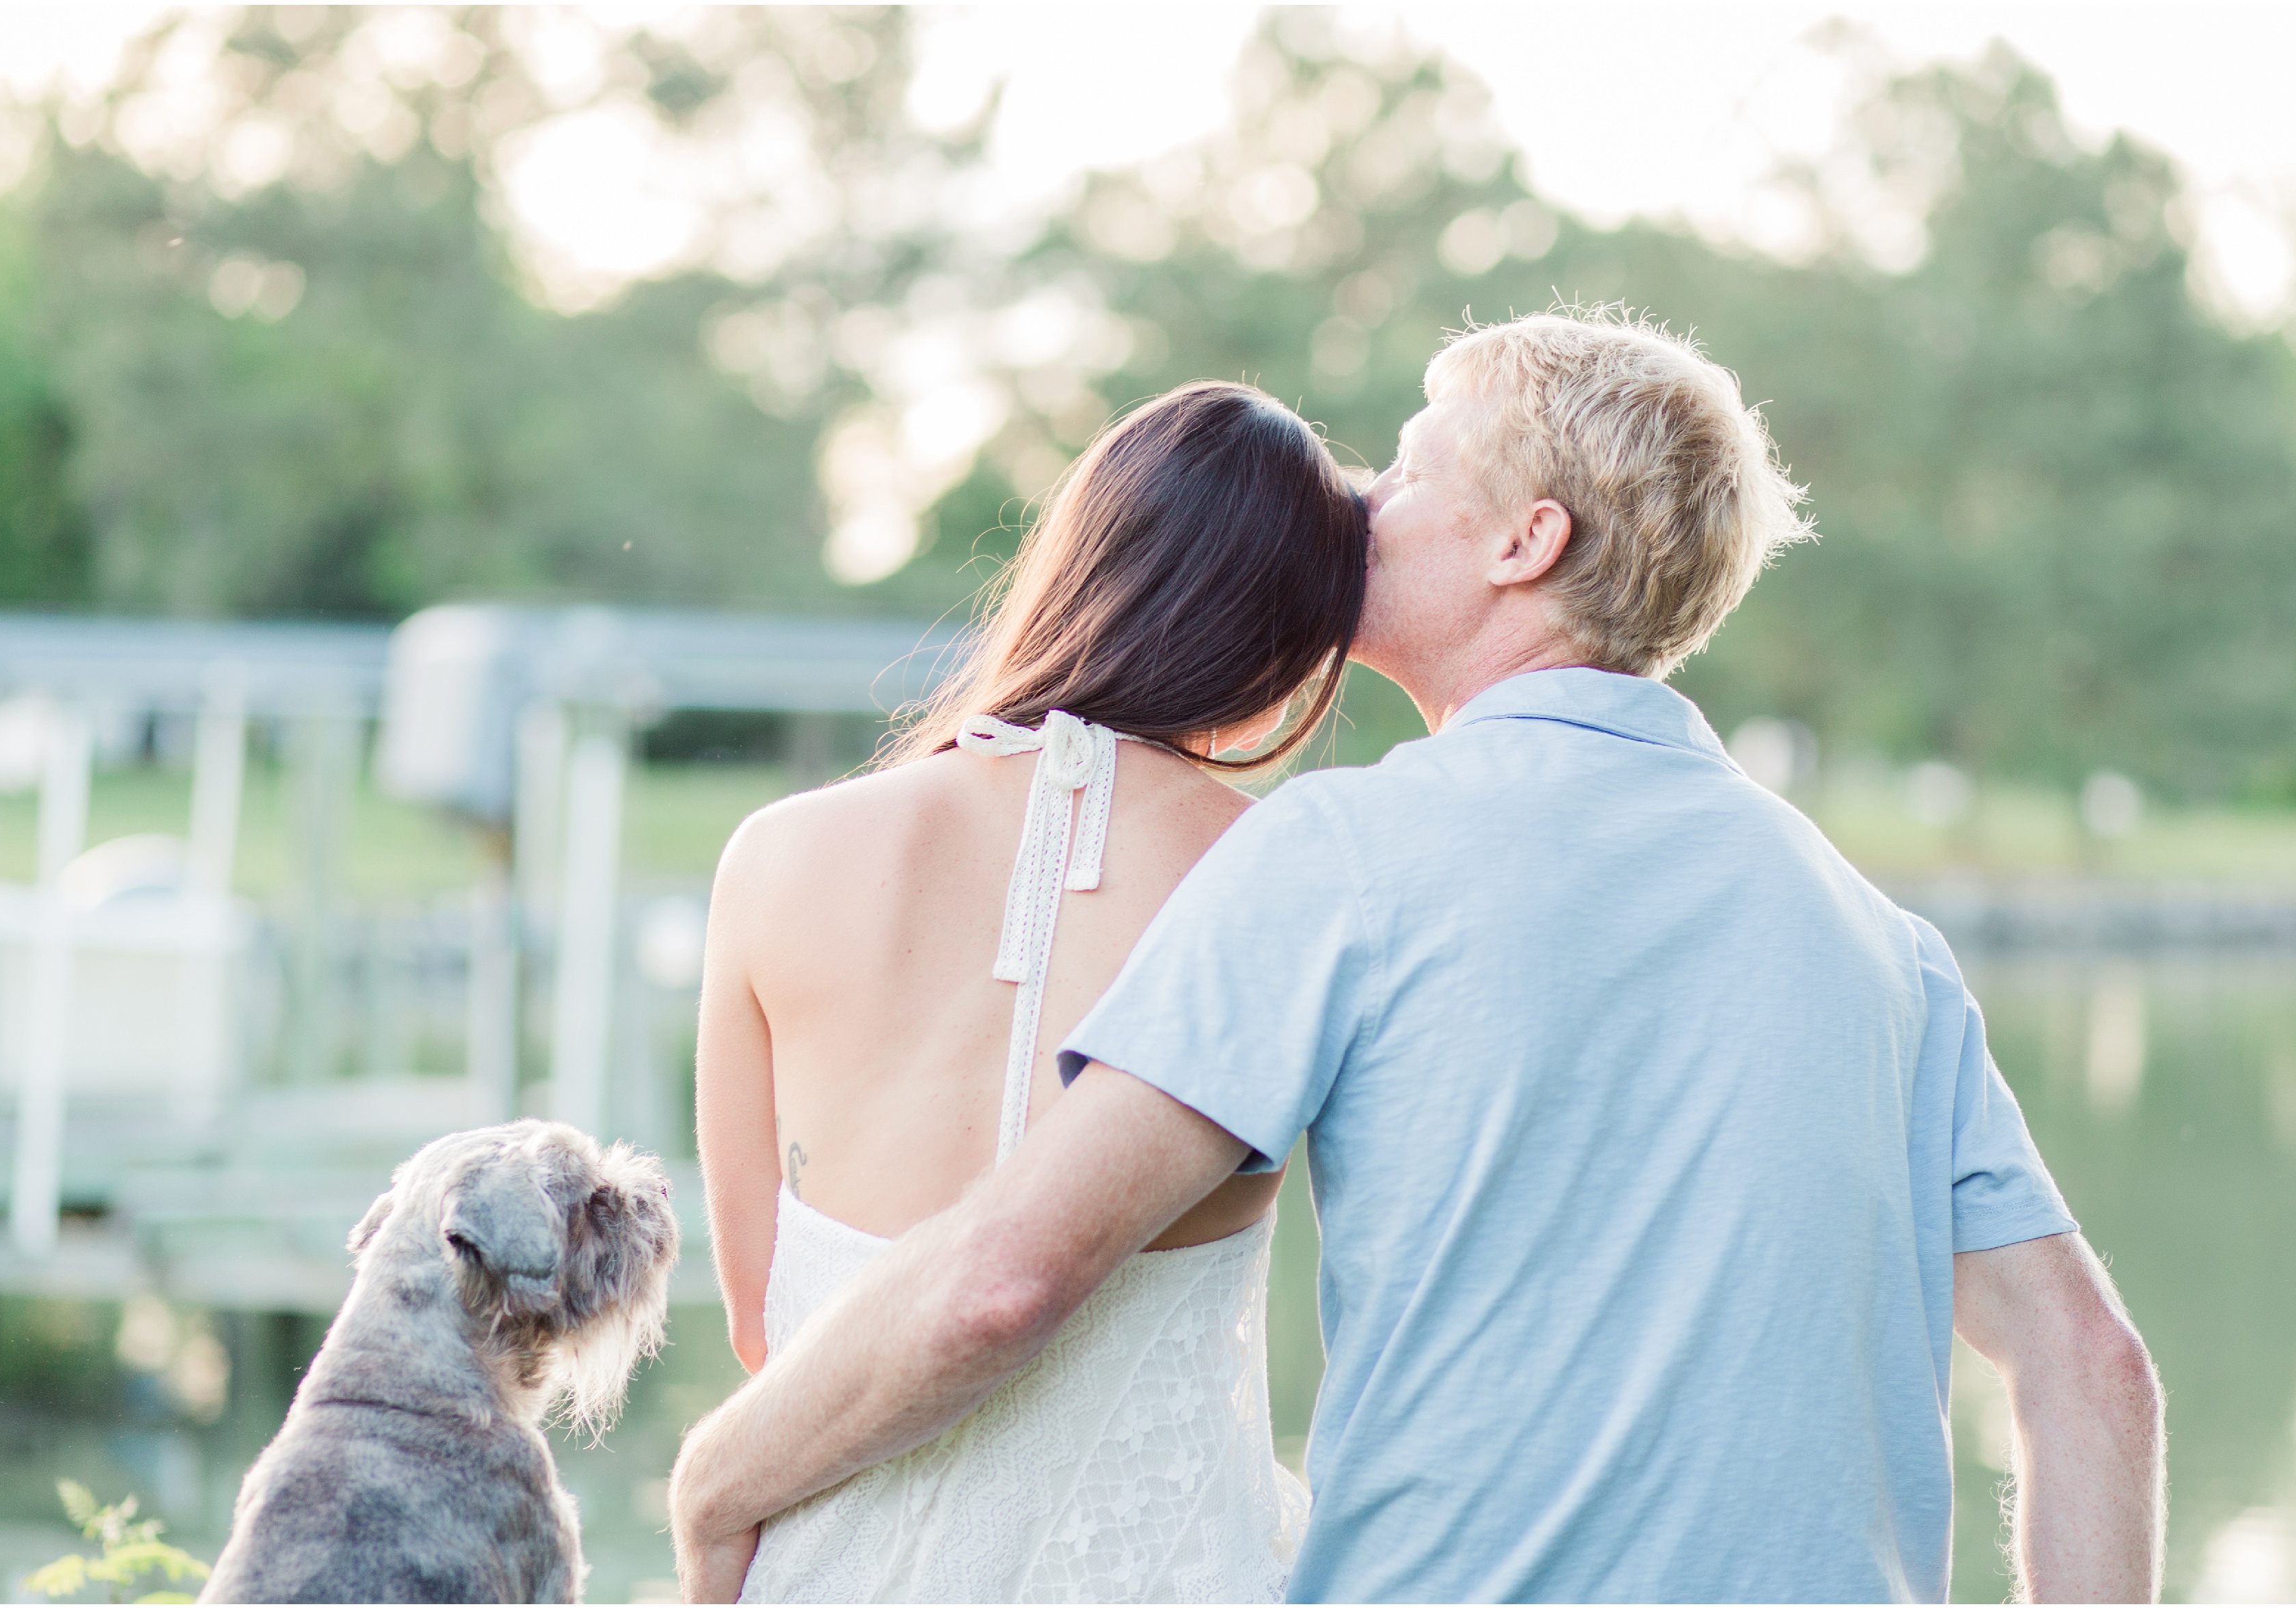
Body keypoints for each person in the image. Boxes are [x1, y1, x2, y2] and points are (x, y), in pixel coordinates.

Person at [670, 312, 2168, 1603]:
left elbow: (1006, 1279)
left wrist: (717, 1476)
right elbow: (2094, 1369)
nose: (1360, 502)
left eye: (1406, 465)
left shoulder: (1340, 854)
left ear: (1527, 542)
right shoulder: (1881, 939)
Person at [681, 379, 1368, 1602]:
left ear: (1076, 566)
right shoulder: (1282, 872)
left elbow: (765, 1329)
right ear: (1288, 639)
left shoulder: (777, 853)